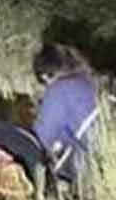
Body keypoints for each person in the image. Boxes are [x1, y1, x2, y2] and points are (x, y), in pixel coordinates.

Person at [32, 44, 101, 191]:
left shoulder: (60, 90)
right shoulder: (95, 82)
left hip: (92, 174)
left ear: (46, 75)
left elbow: (39, 140)